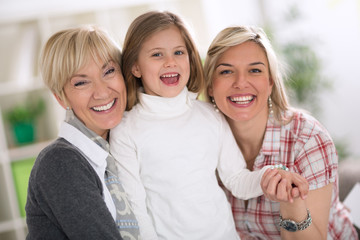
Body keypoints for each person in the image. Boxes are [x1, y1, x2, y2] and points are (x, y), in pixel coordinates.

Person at [109, 11, 308, 240]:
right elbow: (135, 208)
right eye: (157, 54)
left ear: (190, 59)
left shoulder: (209, 115)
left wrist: (271, 176)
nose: (170, 62)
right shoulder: (126, 130)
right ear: (135, 67)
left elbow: (236, 179)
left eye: (178, 52)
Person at [204, 25, 358, 240]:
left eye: (255, 70)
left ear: (270, 82)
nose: (240, 82)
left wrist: (289, 201)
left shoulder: (308, 139)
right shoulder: (202, 140)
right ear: (210, 85)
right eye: (226, 71)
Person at [25, 25, 140, 240]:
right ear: (61, 97)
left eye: (109, 71)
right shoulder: (60, 161)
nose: (102, 91)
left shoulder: (120, 147)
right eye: (81, 82)